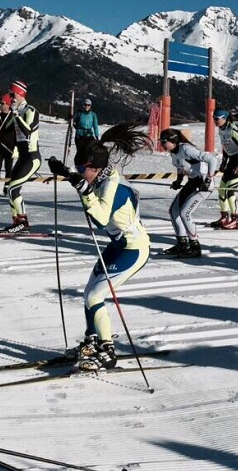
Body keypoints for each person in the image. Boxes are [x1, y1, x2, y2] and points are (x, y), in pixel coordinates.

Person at [47, 123, 151, 371]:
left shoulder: (113, 188)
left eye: (84, 169)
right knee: (88, 295)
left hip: (134, 249)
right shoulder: (102, 176)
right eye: (80, 168)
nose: (82, 173)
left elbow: (102, 217)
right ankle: (91, 342)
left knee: (96, 296)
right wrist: (69, 174)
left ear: (96, 168)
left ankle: (107, 351)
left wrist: (82, 188)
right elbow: (88, 187)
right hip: (118, 245)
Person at [159, 128, 217, 258]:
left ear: (172, 141)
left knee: (185, 213)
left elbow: (212, 160)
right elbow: (181, 166)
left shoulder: (186, 149)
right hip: (192, 182)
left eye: (164, 141)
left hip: (202, 184)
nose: (162, 144)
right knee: (174, 211)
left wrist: (208, 179)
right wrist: (178, 180)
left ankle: (195, 247)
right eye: (161, 141)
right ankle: (182, 244)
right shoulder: (173, 151)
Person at [0, 80, 41, 233]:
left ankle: (23, 222)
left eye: (12, 94)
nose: (11, 97)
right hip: (22, 156)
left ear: (19, 93)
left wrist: (16, 114)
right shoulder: (15, 111)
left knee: (12, 189)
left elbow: (28, 131)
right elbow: (5, 130)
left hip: (32, 157)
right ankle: (17, 221)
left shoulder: (30, 110)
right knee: (11, 190)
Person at [209, 108, 238, 230]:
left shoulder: (233, 129)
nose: (215, 121)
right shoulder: (221, 130)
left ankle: (235, 220)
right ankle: (224, 217)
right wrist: (224, 162)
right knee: (222, 189)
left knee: (229, 190)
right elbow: (226, 147)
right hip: (232, 161)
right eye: (214, 118)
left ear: (224, 118)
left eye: (217, 119)